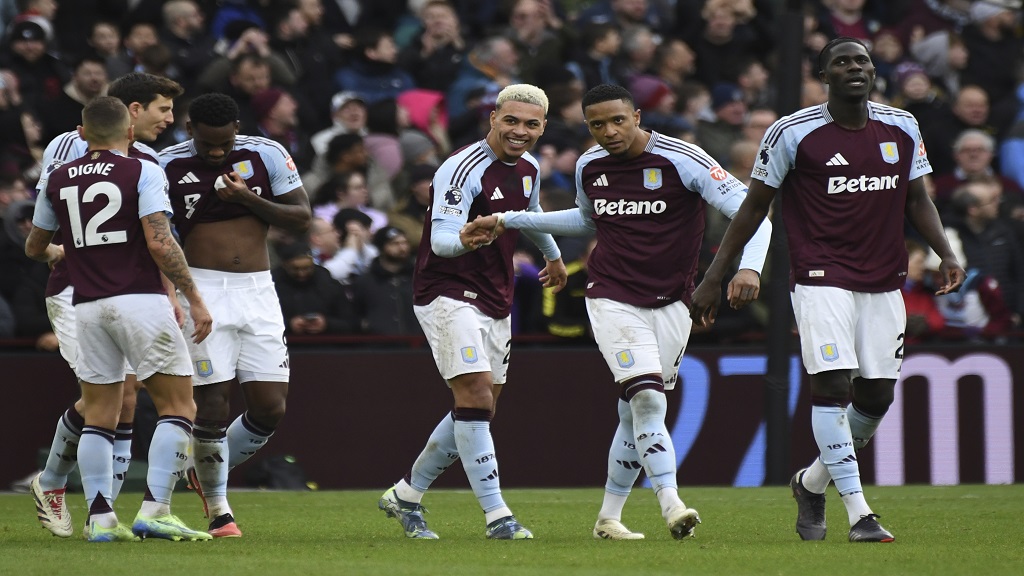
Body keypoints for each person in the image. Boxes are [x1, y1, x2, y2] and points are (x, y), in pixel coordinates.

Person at [464, 83, 772, 540]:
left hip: (672, 303)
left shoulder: (683, 159)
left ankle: (608, 518)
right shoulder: (590, 165)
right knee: (648, 400)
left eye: (617, 121)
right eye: (596, 125)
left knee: (634, 413)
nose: (608, 132)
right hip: (610, 296)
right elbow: (587, 221)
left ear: (637, 115)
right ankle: (672, 503)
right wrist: (511, 219)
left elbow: (752, 213)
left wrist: (749, 270)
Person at [689, 37, 966, 543]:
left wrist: (946, 252)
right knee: (834, 387)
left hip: (884, 278)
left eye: (862, 60)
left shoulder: (902, 126)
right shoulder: (792, 133)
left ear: (873, 71)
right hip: (821, 277)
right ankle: (860, 514)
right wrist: (715, 275)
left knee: (876, 397)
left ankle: (812, 482)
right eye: (842, 62)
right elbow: (753, 208)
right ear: (824, 76)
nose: (854, 68)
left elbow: (917, 198)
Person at [377, 84, 567, 541]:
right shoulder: (460, 169)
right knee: (477, 399)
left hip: (494, 294)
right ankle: (498, 516)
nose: (520, 131)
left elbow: (532, 212)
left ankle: (406, 495)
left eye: (531, 124)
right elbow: (441, 240)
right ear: (493, 119)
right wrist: (467, 237)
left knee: (479, 405)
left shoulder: (529, 167)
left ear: (542, 127)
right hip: (447, 291)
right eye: (512, 121)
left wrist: (553, 256)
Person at [25, 96, 212, 542]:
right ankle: (156, 510)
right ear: (130, 131)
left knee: (100, 414)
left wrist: (57, 252)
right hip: (138, 299)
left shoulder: (56, 177)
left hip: (85, 304)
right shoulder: (142, 169)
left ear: (82, 133)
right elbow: (161, 241)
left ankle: (101, 519)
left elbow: (35, 245)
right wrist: (193, 295)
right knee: (180, 405)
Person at [159, 92, 312, 538]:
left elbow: (300, 218)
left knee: (270, 407)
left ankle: (199, 470)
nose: (216, 152)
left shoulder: (266, 153)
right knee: (211, 402)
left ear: (237, 129)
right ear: (190, 131)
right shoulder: (166, 165)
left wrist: (247, 198)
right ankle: (219, 508)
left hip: (259, 291)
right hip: (201, 289)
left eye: (224, 143)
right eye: (207, 144)